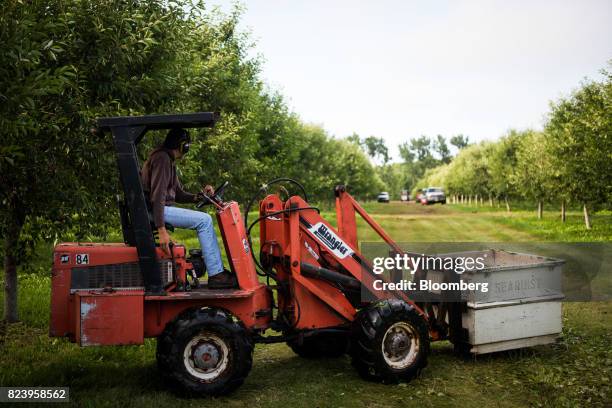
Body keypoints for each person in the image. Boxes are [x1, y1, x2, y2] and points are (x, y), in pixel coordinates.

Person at [141, 128, 237, 289]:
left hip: (161, 208)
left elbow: (178, 194)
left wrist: (200, 196)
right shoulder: (162, 159)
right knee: (204, 221)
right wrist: (161, 228)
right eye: (187, 145)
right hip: (158, 210)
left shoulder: (167, 160)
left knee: (204, 219)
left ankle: (217, 272)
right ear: (182, 145)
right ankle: (217, 275)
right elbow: (157, 196)